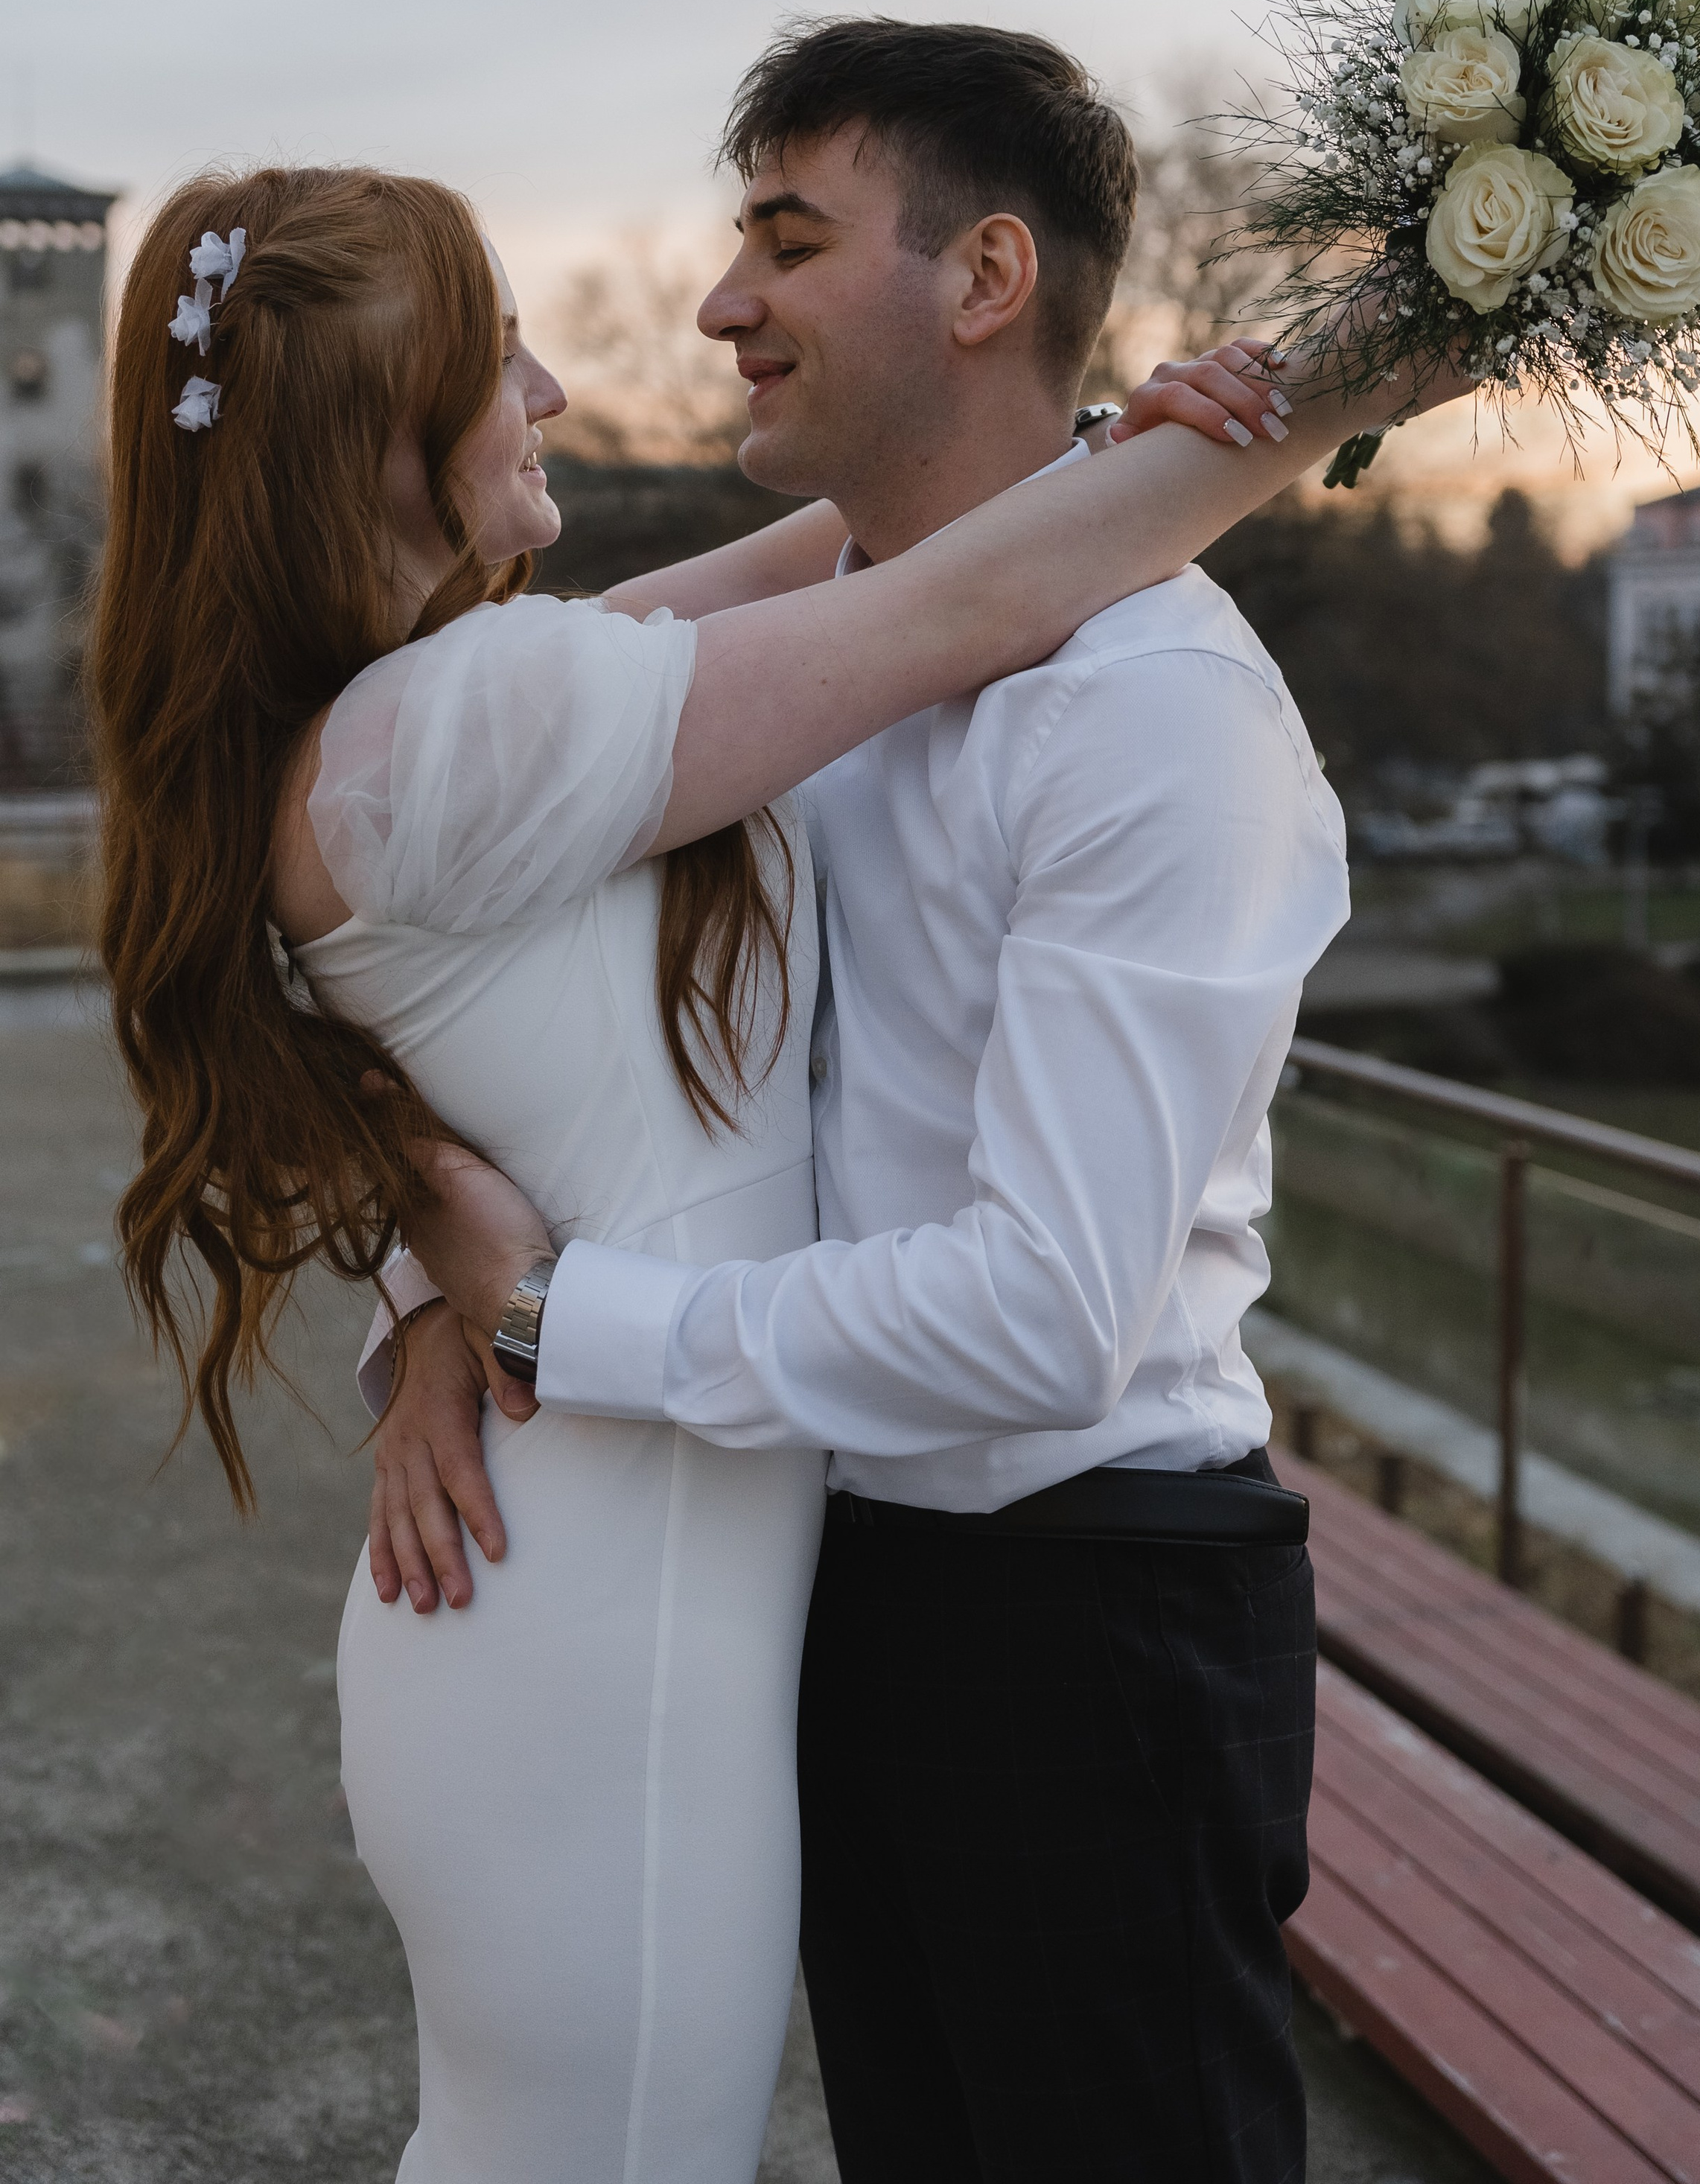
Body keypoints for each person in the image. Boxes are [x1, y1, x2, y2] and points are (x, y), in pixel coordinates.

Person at [91, 127, 1407, 2184]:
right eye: (498, 359)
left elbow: (880, 553)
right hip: (602, 1608)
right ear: (376, 446)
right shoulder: (481, 719)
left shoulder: (433, 710)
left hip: (662, 1578)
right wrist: (1389, 340)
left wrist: (1098, 429)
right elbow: (974, 591)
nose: (550, 392)